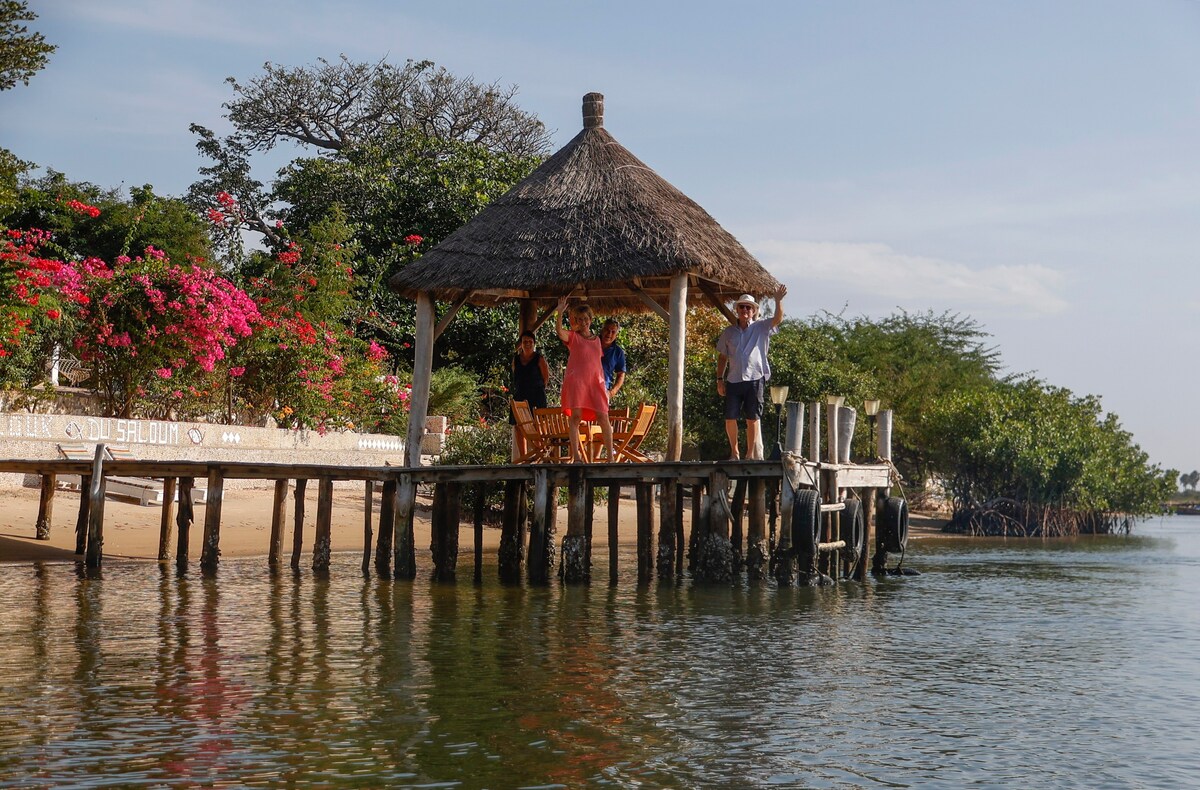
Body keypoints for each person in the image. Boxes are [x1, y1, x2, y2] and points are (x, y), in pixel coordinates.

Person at [716, 286, 787, 460]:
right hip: (733, 379)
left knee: (752, 417)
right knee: (730, 417)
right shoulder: (729, 332)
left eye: (749, 307)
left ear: (754, 311)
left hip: (755, 378)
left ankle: (749, 454)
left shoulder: (761, 327)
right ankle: (734, 452)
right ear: (737, 310)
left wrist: (778, 301)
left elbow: (778, 319)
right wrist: (719, 379)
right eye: (742, 307)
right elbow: (723, 357)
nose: (745, 310)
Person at [555, 296, 615, 463]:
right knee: (575, 417)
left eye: (586, 319)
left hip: (596, 382)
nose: (583, 322)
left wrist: (605, 386)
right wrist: (560, 313)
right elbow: (559, 332)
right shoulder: (573, 337)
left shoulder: (597, 339)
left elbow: (597, 363)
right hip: (577, 382)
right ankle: (576, 456)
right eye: (579, 320)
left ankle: (610, 457)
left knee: (603, 416)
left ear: (590, 320)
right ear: (576, 321)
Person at [510, 330, 550, 460]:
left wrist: (537, 389)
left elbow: (545, 378)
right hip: (520, 395)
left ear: (534, 343)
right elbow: (516, 375)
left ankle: (539, 454)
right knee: (518, 426)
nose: (527, 344)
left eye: (530, 342)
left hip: (536, 396)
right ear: (521, 344)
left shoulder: (539, 358)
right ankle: (524, 457)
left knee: (537, 426)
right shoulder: (516, 359)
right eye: (524, 342)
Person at [599, 319, 626, 402]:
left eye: (613, 332)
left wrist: (611, 393)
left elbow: (621, 374)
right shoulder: (590, 343)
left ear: (616, 335)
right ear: (602, 330)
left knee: (601, 415)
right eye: (607, 330)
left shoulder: (618, 352)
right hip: (584, 389)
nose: (609, 334)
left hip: (602, 392)